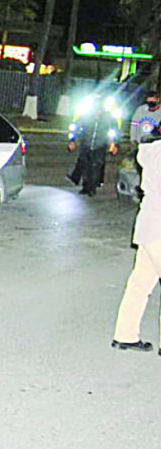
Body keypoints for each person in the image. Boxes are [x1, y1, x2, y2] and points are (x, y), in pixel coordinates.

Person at [112, 128, 161, 352]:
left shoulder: (150, 151)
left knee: (140, 284)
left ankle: (125, 334)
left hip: (148, 225)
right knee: (140, 284)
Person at [66, 94, 122, 196]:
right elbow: (76, 127)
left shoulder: (108, 117)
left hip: (100, 145)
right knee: (85, 166)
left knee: (95, 166)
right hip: (86, 143)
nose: (97, 112)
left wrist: (114, 143)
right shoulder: (86, 116)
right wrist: (72, 140)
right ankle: (85, 186)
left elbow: (114, 131)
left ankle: (92, 188)